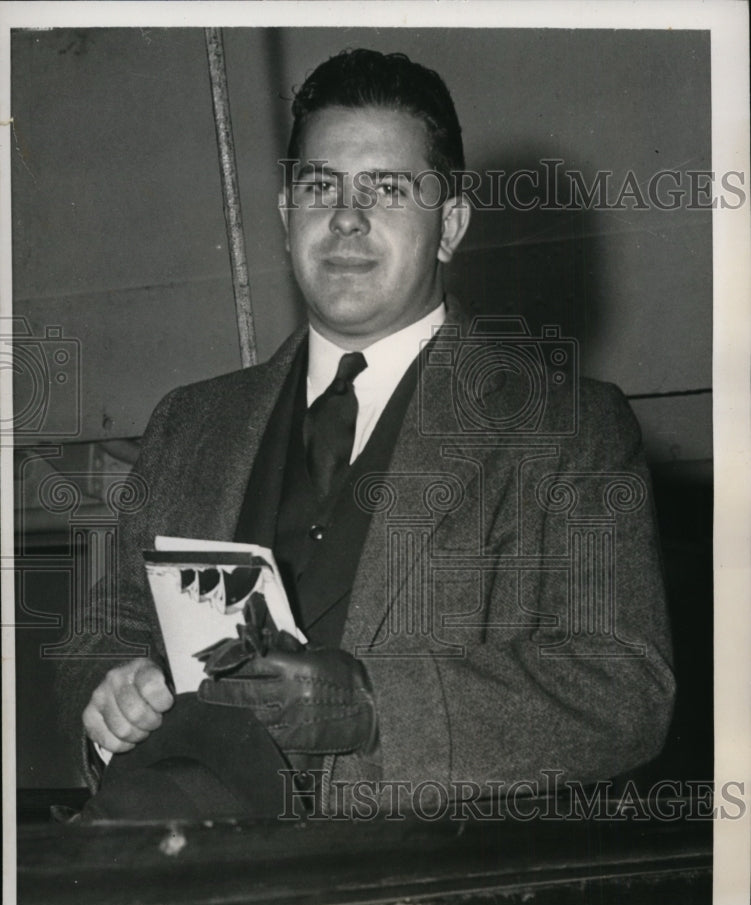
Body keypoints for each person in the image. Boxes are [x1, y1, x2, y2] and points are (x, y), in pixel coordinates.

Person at [57, 49, 675, 820]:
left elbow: (624, 691)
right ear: (286, 218)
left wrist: (372, 705)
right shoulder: (189, 422)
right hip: (193, 882)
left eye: (386, 187)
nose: (346, 216)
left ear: (448, 225)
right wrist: (114, 687)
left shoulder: (567, 428)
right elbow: (104, 630)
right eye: (320, 186)